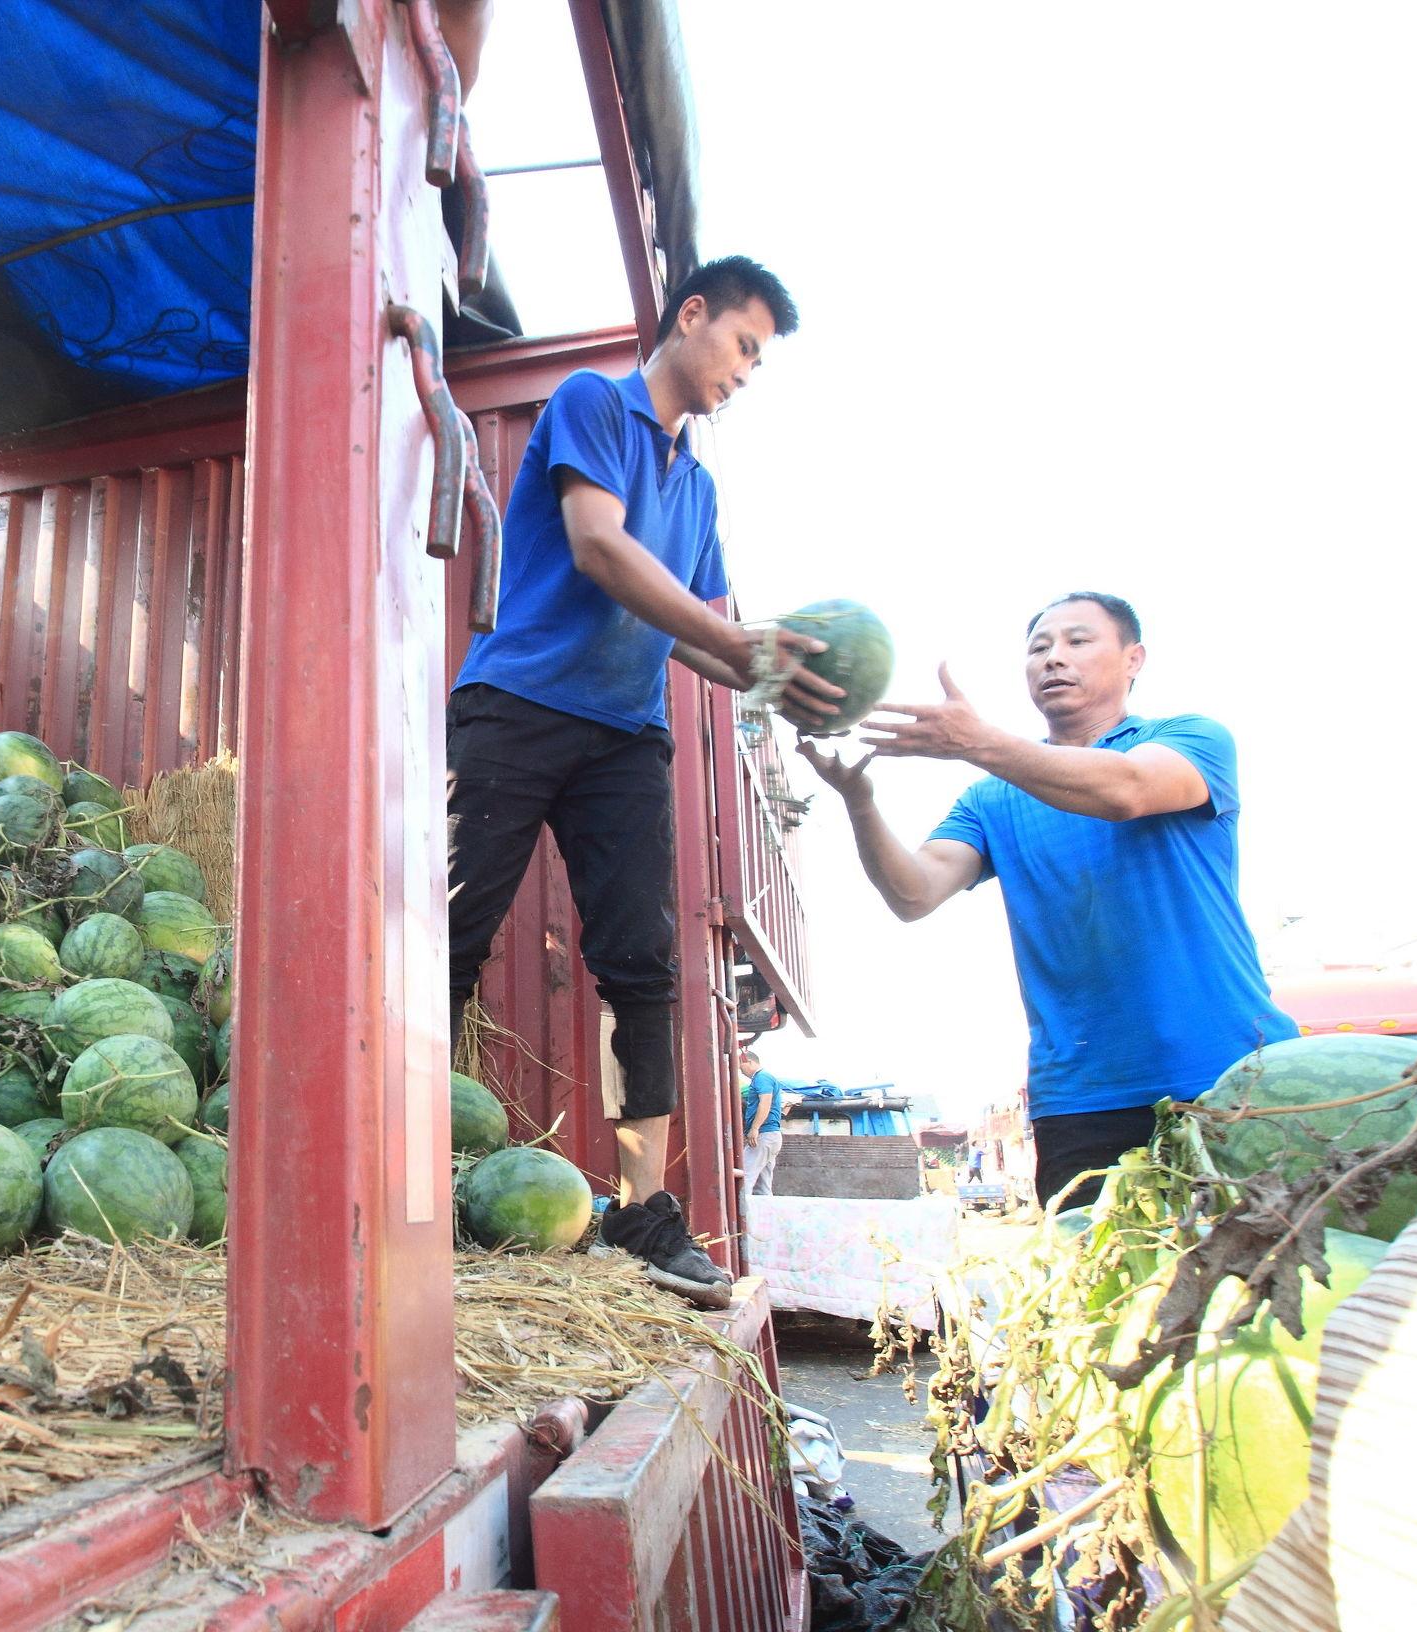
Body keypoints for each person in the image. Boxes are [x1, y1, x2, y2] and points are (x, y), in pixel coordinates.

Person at [447, 255, 843, 1309]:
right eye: (744, 344)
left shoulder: (697, 486)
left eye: (762, 359)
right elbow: (597, 547)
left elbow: (707, 645)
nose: (748, 372)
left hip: (625, 735)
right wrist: (732, 636)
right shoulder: (592, 404)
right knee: (447, 931)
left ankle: (642, 1212)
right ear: (692, 313)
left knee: (643, 967)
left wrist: (780, 684)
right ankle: (404, 1173)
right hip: (517, 706)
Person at [800, 592, 1295, 1209]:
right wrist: (860, 802)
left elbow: (1127, 791)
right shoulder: (990, 799)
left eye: (1077, 642)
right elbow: (915, 893)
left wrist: (978, 742)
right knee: (1103, 1296)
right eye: (1038, 648)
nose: (1053, 659)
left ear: (1134, 658)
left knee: (1253, 1286)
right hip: (1080, 1096)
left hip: (1226, 1071)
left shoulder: (1190, 739)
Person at [737, 1046, 788, 1197]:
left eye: (741, 1067)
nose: (741, 1071)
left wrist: (755, 1128)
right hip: (771, 1136)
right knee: (763, 1186)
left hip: (764, 1135)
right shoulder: (764, 1078)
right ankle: (765, 1218)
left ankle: (743, 1217)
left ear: (750, 1062)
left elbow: (764, 1102)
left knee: (744, 1177)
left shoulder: (762, 1077)